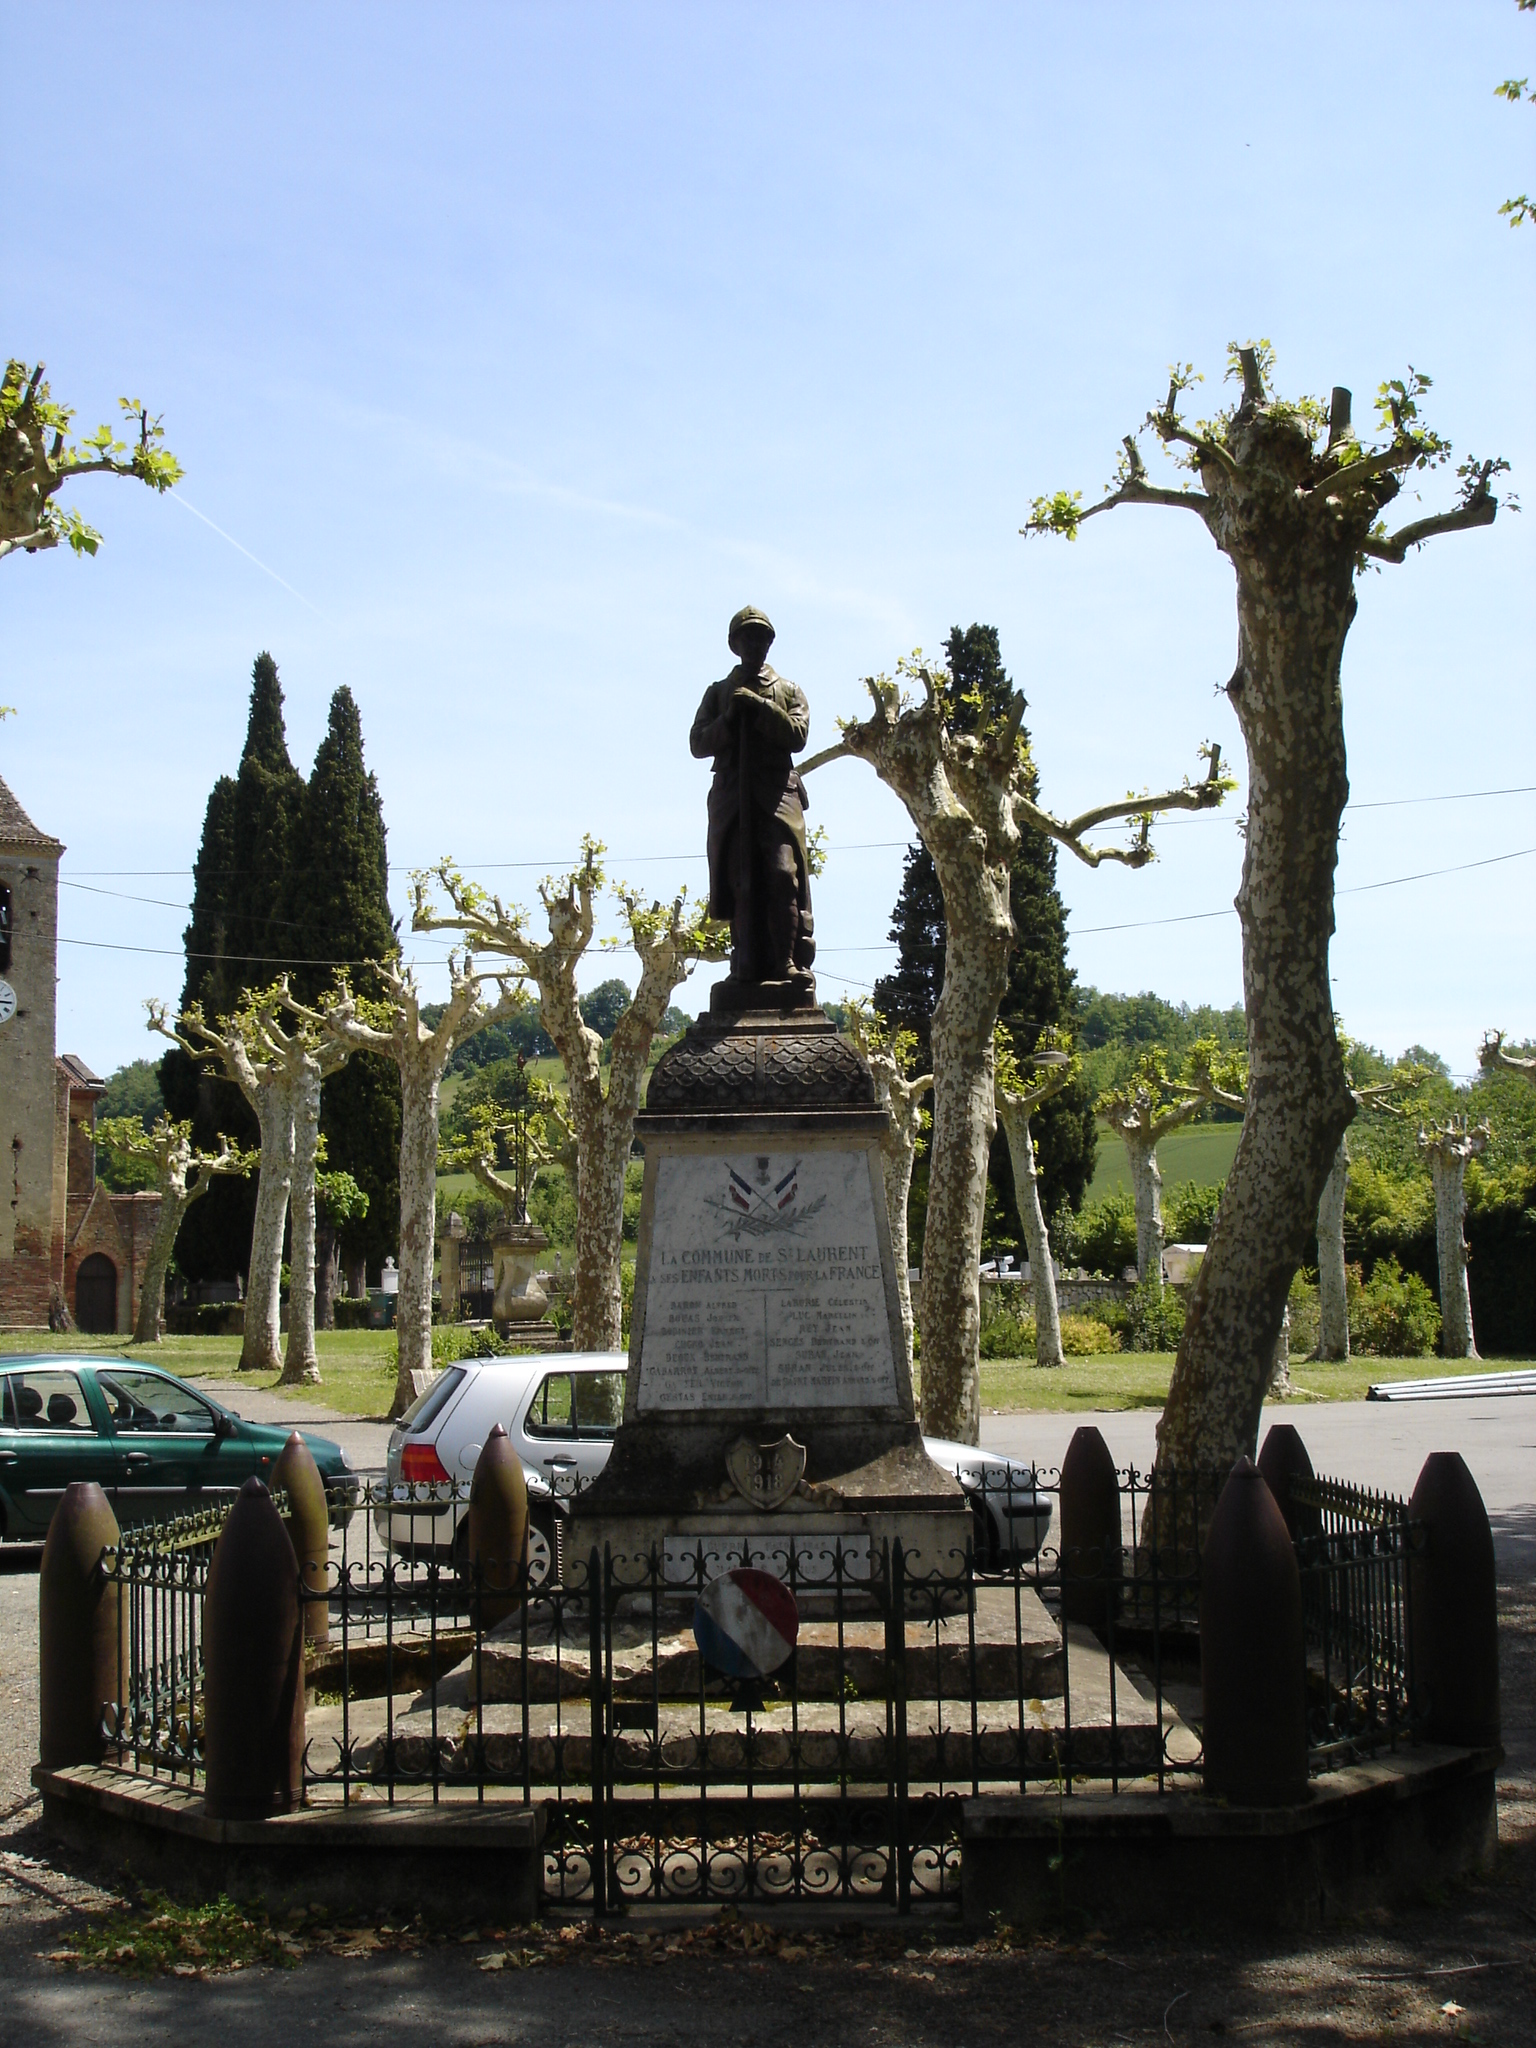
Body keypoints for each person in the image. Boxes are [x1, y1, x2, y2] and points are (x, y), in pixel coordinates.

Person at [689, 606, 816, 999]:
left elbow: (797, 734)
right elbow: (697, 743)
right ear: (735, 645)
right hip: (732, 796)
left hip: (776, 793)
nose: (755, 644)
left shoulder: (789, 690)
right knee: (741, 882)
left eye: (762, 637)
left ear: (769, 643)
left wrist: (759, 707)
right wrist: (729, 718)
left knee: (781, 875)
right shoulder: (717, 692)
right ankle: (743, 965)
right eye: (747, 638)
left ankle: (786, 963)